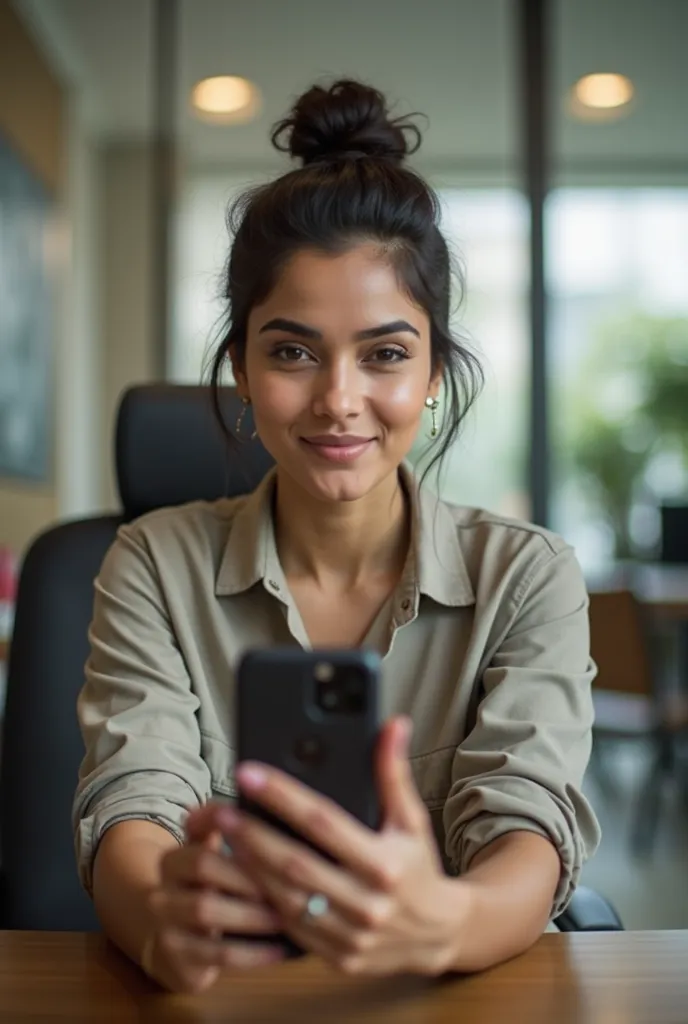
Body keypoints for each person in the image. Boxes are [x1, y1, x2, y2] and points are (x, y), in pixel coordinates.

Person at [73, 79, 600, 994]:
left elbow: (527, 822)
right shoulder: (154, 563)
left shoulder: (528, 575)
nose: (338, 399)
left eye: (387, 353)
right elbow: (135, 800)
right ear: (241, 364)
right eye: (292, 350)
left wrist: (454, 920)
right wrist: (164, 920)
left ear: (435, 370)